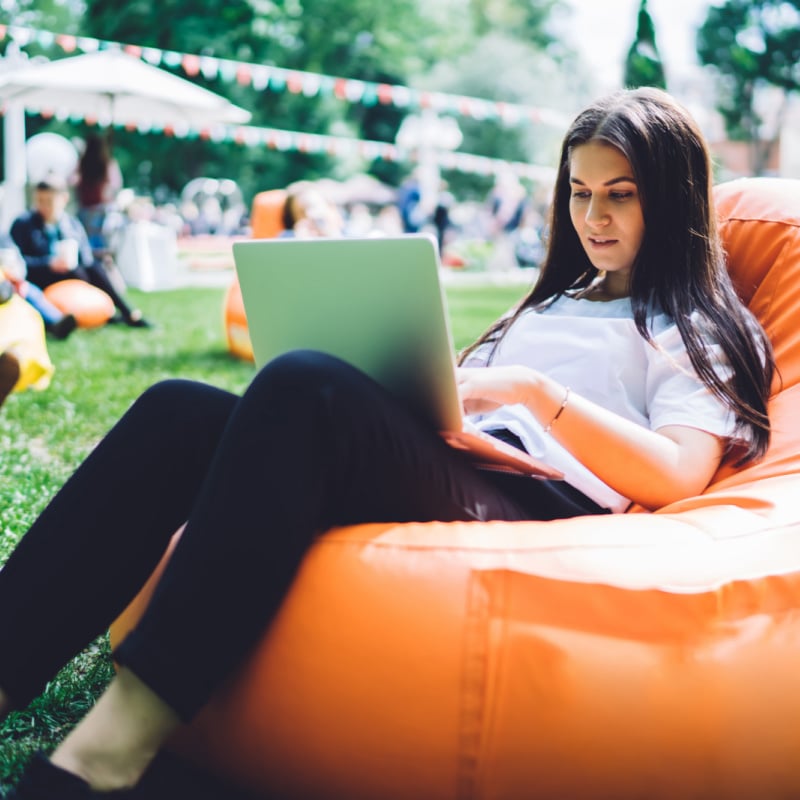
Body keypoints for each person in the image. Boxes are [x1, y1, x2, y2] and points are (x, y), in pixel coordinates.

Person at [0, 88, 774, 798]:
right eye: (578, 192)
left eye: (619, 195)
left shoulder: (691, 326)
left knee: (308, 387)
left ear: (670, 202)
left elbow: (678, 473)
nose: (592, 217)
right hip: (461, 455)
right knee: (179, 411)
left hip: (544, 502)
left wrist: (539, 395)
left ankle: (103, 757)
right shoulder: (554, 303)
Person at [9, 174, 151, 329]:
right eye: (40, 201)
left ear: (63, 199)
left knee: (95, 268)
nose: (43, 207)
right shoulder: (23, 224)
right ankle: (97, 316)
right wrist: (49, 263)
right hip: (40, 278)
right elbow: (16, 264)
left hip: (74, 277)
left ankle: (128, 312)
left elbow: (86, 259)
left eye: (49, 201)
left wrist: (70, 261)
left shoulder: (72, 225)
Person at [0, 235, 77, 340]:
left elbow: (20, 263)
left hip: (13, 282)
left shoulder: (4, 238)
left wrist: (16, 276)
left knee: (31, 291)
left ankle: (57, 321)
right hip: (4, 286)